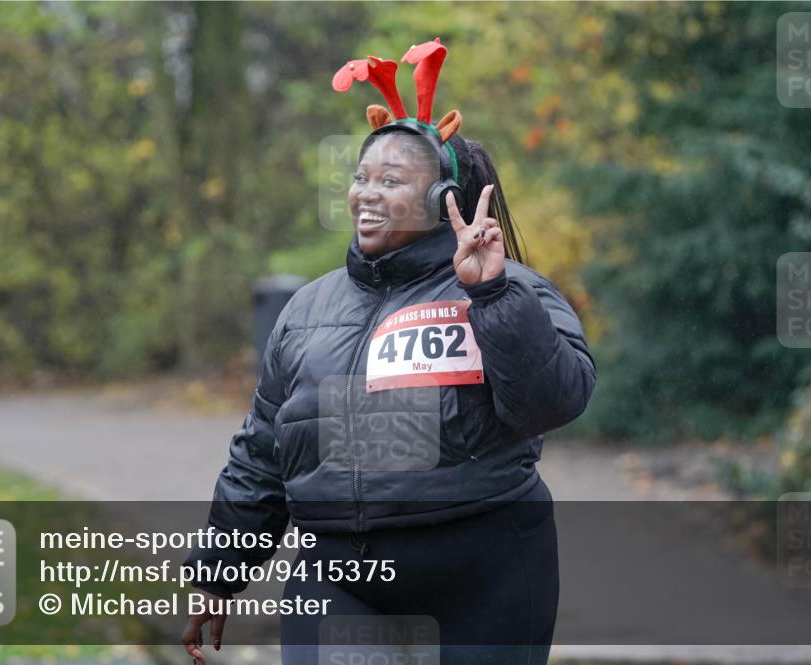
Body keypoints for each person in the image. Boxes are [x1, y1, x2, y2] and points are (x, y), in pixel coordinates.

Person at [183, 38, 596, 665]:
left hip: (485, 574)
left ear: (441, 199)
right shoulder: (307, 310)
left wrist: (491, 295)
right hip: (340, 578)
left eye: (392, 180)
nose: (366, 194)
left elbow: (554, 402)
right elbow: (264, 451)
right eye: (361, 178)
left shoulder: (509, 288)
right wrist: (218, 572)